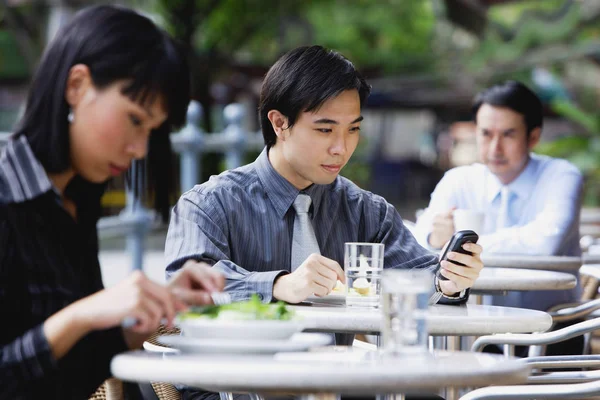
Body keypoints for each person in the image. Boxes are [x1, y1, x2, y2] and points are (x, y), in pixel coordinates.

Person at [165, 45, 483, 399]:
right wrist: (278, 286)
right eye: (325, 130)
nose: (341, 148)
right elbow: (186, 291)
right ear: (279, 123)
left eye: (353, 130)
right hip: (230, 388)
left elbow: (418, 277)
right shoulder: (209, 203)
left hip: (331, 385)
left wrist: (450, 280)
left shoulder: (364, 210)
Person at [0, 6, 224, 400]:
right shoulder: (8, 192)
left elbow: (72, 375)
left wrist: (140, 320)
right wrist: (82, 315)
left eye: (151, 131)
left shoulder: (76, 200)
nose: (139, 150)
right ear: (77, 86)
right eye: (134, 119)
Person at [415, 80, 582, 313]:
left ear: (533, 137)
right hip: (470, 325)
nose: (495, 148)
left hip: (550, 330)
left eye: (508, 135)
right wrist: (435, 237)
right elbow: (419, 239)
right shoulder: (458, 179)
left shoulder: (560, 175)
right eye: (486, 134)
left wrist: (459, 246)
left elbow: (544, 243)